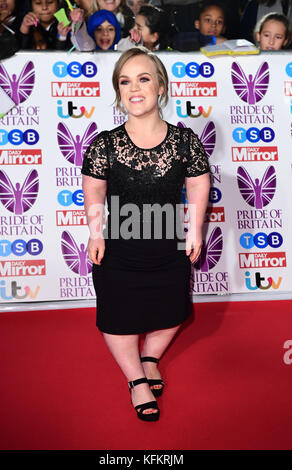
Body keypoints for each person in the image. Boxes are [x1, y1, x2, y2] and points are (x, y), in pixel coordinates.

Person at [81, 47, 210, 421]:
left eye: (143, 78)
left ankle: (150, 356)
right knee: (116, 316)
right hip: (120, 247)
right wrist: (95, 233)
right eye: (125, 81)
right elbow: (95, 192)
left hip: (168, 244)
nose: (134, 88)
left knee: (172, 312)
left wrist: (194, 229)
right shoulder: (104, 143)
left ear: (161, 87)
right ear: (118, 91)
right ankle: (136, 378)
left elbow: (199, 186)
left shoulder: (186, 142)